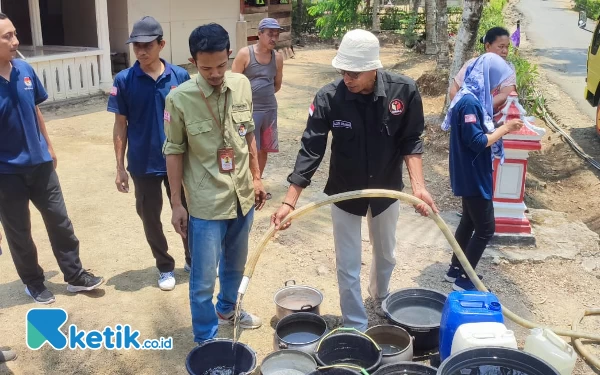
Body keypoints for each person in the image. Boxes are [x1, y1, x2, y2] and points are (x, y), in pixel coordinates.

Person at [271, 29, 439, 332]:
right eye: (342, 71)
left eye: (354, 73)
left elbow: (411, 141)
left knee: (386, 253)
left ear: (373, 68)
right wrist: (288, 202)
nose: (346, 78)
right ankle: (355, 324)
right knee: (347, 264)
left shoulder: (405, 91)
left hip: (387, 188)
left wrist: (419, 187)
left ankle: (381, 297)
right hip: (345, 191)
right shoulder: (328, 97)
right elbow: (311, 150)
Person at [163, 23, 267, 343]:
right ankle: (205, 336)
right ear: (193, 62)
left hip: (242, 197)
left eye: (221, 65)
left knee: (235, 266)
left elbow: (248, 133)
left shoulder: (242, 85)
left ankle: (227, 308)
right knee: (203, 278)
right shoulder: (179, 99)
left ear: (229, 55)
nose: (215, 73)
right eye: (206, 67)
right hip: (206, 202)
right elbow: (174, 151)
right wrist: (177, 204)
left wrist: (257, 177)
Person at [0, 13, 103, 304]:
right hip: (6, 173)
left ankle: (75, 276)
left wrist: (49, 146)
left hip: (41, 164)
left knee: (60, 221)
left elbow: (35, 110)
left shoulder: (25, 69)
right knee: (19, 231)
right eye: (7, 36)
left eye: (15, 33)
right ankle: (33, 281)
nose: (15, 41)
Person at [107, 16, 191, 291]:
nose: (141, 51)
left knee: (188, 211)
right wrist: (120, 166)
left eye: (147, 45)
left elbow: (192, 119)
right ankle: (165, 266)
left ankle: (193, 258)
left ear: (161, 44)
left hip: (179, 160)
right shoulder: (125, 80)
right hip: (143, 164)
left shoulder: (179, 76)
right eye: (136, 46)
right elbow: (120, 125)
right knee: (150, 217)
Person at [441, 53, 523, 291]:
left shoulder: (469, 98)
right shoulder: (469, 103)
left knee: (468, 221)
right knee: (486, 228)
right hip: (474, 174)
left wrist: (500, 127)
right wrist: (506, 128)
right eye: (496, 82)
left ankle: (455, 268)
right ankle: (465, 280)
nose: (497, 87)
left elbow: (476, 131)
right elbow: (477, 141)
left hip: (470, 171)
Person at [232, 18, 284, 191]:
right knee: (247, 148)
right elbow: (234, 82)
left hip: (269, 109)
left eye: (276, 35)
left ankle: (257, 183)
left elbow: (277, 85)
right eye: (270, 34)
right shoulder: (245, 54)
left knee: (264, 149)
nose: (274, 38)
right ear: (259, 34)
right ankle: (245, 185)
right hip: (248, 111)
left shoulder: (277, 58)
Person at [449, 27, 517, 109]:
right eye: (501, 46)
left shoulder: (508, 68)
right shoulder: (472, 64)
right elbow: (454, 90)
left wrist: (478, 110)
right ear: (488, 46)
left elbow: (505, 94)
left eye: (507, 47)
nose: (505, 51)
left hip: (494, 117)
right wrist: (465, 110)